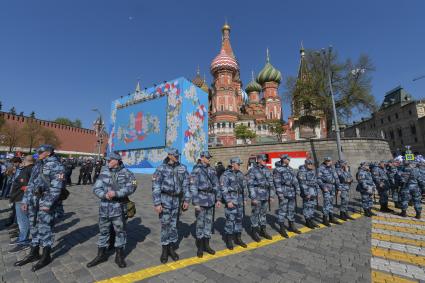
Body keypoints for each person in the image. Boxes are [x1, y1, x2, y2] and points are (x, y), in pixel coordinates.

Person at [15, 144, 65, 271]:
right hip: (33, 201)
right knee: (34, 226)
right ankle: (34, 252)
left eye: (40, 152)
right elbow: (31, 183)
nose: (38, 154)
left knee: (45, 228)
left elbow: (56, 188)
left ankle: (46, 255)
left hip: (45, 202)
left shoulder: (57, 166)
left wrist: (47, 204)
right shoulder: (38, 164)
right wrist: (25, 200)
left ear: (48, 152)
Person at [87, 152, 137, 268]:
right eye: (107, 160)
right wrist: (104, 195)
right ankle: (101, 255)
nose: (107, 162)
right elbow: (96, 188)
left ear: (117, 161)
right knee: (103, 231)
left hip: (119, 208)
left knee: (120, 232)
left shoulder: (127, 173)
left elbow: (132, 187)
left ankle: (119, 256)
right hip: (104, 208)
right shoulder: (104, 172)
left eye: (110, 160)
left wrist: (116, 193)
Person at [152, 148, 190, 264]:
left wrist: (186, 200)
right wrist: (157, 203)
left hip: (177, 201)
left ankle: (171, 249)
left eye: (178, 155)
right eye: (175, 155)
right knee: (165, 225)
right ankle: (164, 250)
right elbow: (156, 186)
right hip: (165, 200)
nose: (177, 156)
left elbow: (186, 185)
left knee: (174, 225)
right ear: (169, 155)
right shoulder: (161, 168)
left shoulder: (182, 168)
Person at [190, 151, 221, 258]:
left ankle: (207, 245)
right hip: (201, 200)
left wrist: (218, 199)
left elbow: (216, 185)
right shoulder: (196, 170)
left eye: (209, 158)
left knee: (209, 223)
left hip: (211, 200)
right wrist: (195, 203)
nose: (209, 159)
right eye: (207, 157)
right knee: (200, 224)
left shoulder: (212, 170)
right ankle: (200, 247)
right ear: (202, 157)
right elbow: (193, 187)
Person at [220, 157, 248, 250]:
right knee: (230, 220)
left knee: (239, 219)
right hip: (231, 200)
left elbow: (245, 186)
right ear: (233, 164)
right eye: (238, 164)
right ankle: (229, 240)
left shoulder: (240, 174)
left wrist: (245, 198)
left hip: (240, 200)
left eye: (239, 164)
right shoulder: (225, 175)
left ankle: (238, 238)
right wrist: (228, 201)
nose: (239, 166)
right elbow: (224, 189)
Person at [8, 155, 34, 253]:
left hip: (22, 199)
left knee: (23, 221)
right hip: (19, 198)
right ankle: (22, 238)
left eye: (23, 160)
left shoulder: (29, 170)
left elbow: (27, 186)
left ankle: (24, 241)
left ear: (26, 161)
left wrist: (22, 191)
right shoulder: (26, 169)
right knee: (21, 221)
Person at [247, 154, 274, 242]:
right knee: (255, 213)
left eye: (265, 160)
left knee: (263, 213)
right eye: (263, 160)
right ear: (258, 160)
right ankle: (254, 231)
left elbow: (271, 183)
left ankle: (263, 230)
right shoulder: (253, 170)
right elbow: (250, 185)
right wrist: (253, 197)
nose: (264, 161)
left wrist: (272, 195)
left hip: (265, 195)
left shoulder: (267, 169)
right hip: (257, 195)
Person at [273, 154, 301, 236]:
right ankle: (282, 228)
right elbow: (277, 183)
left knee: (291, 209)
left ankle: (291, 226)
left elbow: (295, 180)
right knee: (282, 210)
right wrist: (280, 194)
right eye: (288, 159)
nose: (289, 160)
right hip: (284, 192)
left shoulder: (290, 168)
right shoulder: (277, 170)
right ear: (283, 159)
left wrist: (297, 189)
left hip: (291, 192)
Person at [317, 157, 341, 226]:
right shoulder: (320, 168)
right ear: (324, 161)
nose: (328, 162)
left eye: (329, 161)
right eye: (327, 161)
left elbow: (336, 178)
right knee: (326, 203)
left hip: (333, 188)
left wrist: (339, 189)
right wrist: (323, 187)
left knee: (331, 203)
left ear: (331, 161)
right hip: (326, 188)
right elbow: (318, 179)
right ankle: (325, 219)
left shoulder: (332, 168)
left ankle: (331, 218)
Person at [297, 159, 320, 229]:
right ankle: (307, 221)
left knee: (312, 205)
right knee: (307, 206)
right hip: (306, 191)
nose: (311, 165)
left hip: (313, 191)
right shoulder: (301, 172)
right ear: (306, 164)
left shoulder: (312, 171)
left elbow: (316, 182)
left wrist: (318, 192)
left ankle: (311, 219)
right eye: (309, 164)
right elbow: (302, 184)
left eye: (311, 164)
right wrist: (307, 193)